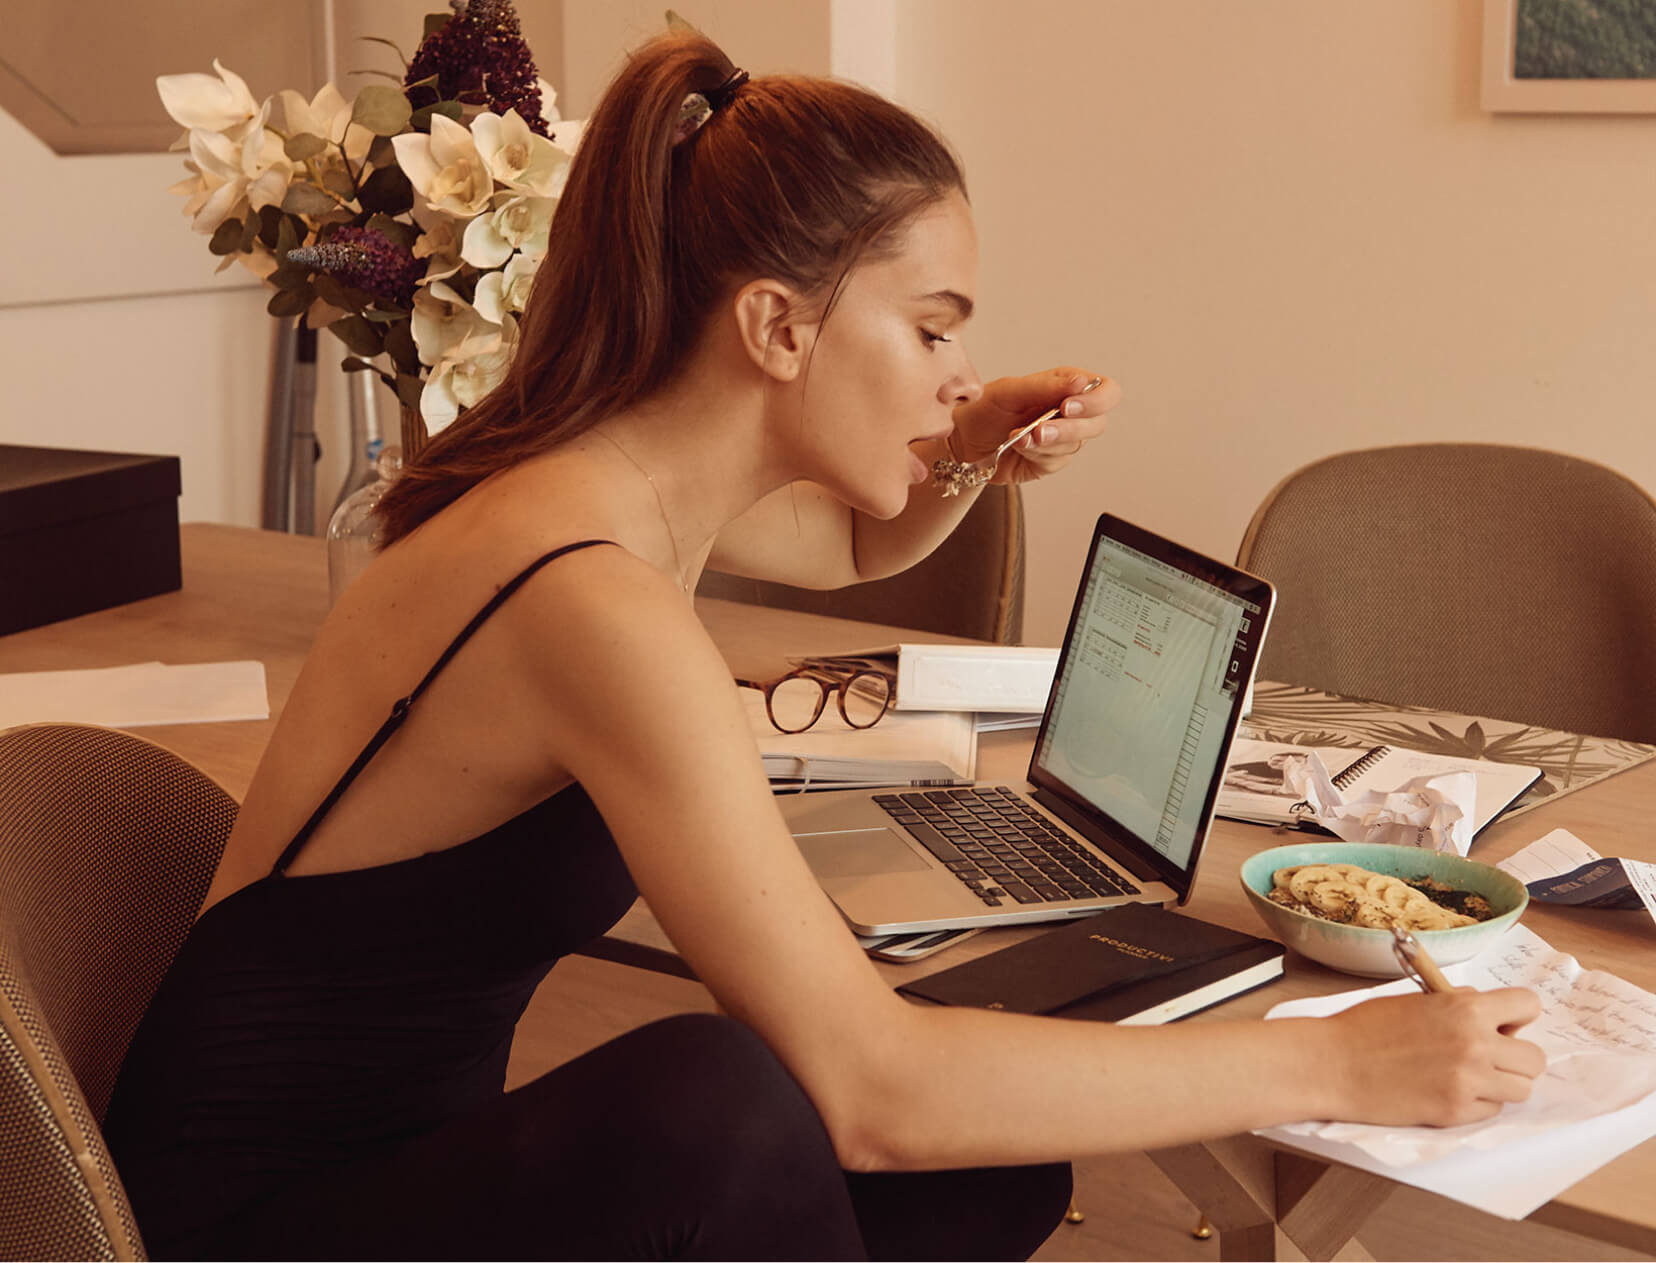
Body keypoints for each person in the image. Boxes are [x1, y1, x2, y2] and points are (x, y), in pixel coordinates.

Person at [104, 31, 1546, 1262]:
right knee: (729, 1104)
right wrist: (1334, 1061)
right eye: (930, 332)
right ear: (778, 328)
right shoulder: (590, 599)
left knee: (988, 1162)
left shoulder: (597, 486)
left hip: (407, 1158)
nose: (961, 372)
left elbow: (858, 544)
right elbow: (872, 1093)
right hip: (260, 1221)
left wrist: (966, 444)